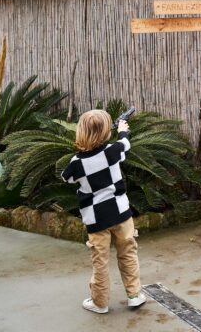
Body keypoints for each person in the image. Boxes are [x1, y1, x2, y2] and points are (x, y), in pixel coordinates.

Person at [61, 110, 146, 314]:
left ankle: (100, 303)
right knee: (128, 253)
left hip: (96, 219)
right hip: (121, 213)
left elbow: (67, 177)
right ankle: (134, 295)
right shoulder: (112, 151)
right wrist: (123, 130)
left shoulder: (76, 163)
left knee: (100, 261)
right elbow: (125, 144)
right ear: (107, 133)